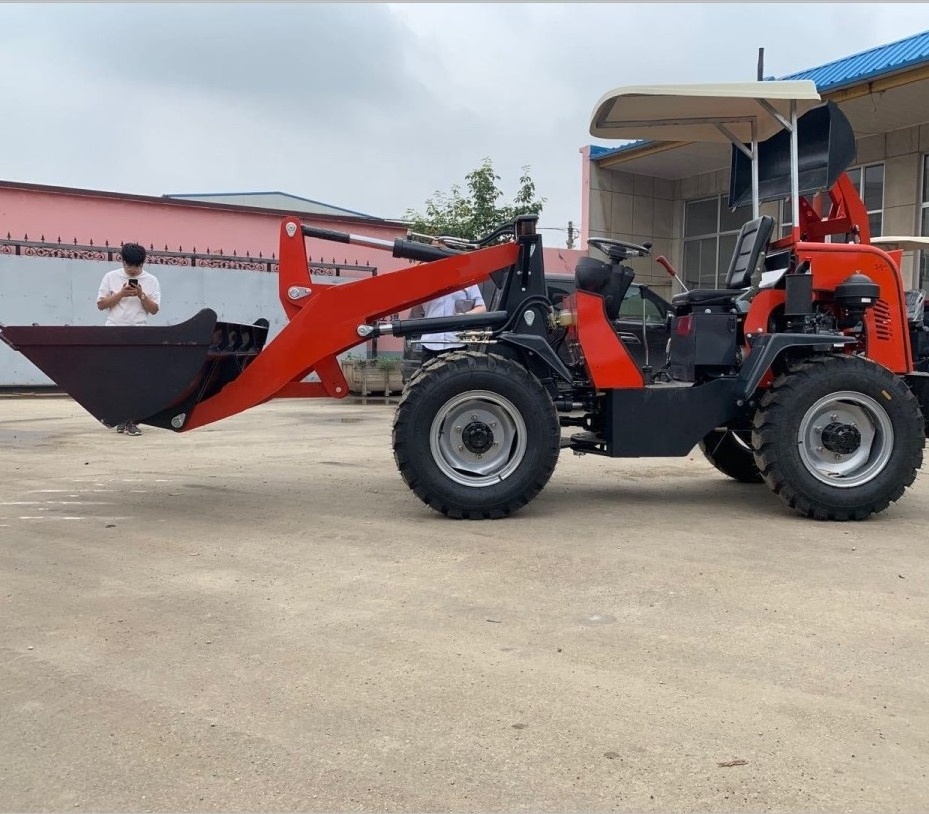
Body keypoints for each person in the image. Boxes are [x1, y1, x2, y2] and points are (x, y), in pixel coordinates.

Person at [96, 242, 161, 437]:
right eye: (129, 265)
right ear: (122, 261)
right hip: (114, 330)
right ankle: (122, 419)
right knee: (117, 377)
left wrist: (141, 295)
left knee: (136, 378)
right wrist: (121, 294)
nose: (133, 270)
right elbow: (101, 305)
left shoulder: (151, 280)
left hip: (139, 331)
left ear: (143, 263)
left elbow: (155, 310)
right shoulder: (111, 277)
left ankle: (129, 420)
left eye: (137, 266)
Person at [419, 284, 486, 363]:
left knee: (458, 375)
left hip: (457, 342)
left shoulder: (468, 281)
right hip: (430, 343)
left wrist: (464, 316)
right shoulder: (425, 281)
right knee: (428, 375)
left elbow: (482, 308)